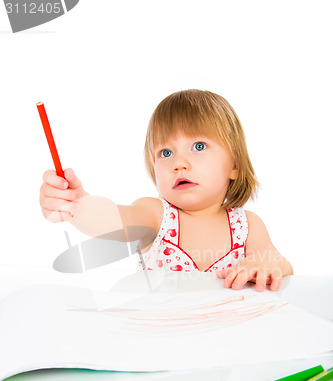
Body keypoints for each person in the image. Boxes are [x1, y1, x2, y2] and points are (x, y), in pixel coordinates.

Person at [40, 89, 293, 291]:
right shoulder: (157, 216)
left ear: (234, 165)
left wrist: (267, 263)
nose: (179, 163)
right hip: (161, 344)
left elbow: (282, 266)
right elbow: (114, 220)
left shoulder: (247, 226)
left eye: (199, 146)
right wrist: (77, 204)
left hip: (224, 344)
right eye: (166, 152)